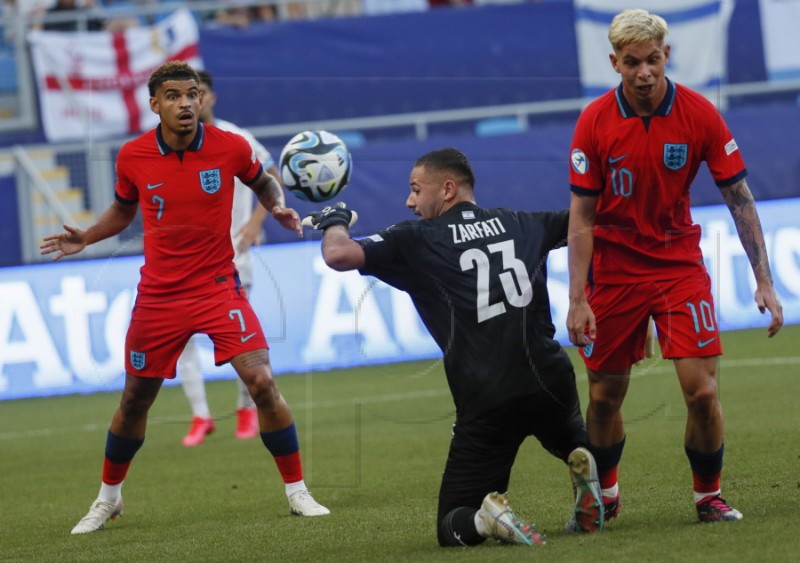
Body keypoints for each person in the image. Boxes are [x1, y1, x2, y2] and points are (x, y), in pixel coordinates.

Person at [41, 60, 330, 535]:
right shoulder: (133, 155)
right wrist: (87, 236)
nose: (185, 103)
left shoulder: (230, 147)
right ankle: (108, 498)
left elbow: (263, 179)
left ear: (201, 99)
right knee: (135, 400)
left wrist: (275, 205)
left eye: (191, 94)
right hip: (159, 296)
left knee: (262, 381)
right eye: (173, 96)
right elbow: (122, 209)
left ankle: (298, 491)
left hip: (218, 286)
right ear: (155, 105)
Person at [303, 147, 604, 547]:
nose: (409, 201)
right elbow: (586, 221)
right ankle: (578, 452)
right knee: (562, 425)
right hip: (550, 377)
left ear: (447, 189)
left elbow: (338, 255)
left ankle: (486, 518)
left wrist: (335, 222)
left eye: (415, 189)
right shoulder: (520, 222)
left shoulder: (417, 239)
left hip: (487, 397)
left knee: (451, 523)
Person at [566, 8, 784, 525]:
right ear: (615, 62)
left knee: (703, 392)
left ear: (668, 55)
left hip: (677, 267)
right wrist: (577, 298)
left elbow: (740, 198)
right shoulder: (594, 121)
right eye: (634, 63)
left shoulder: (699, 113)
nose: (645, 72)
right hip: (615, 272)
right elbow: (582, 217)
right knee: (602, 397)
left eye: (655, 60)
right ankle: (606, 495)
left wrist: (764, 281)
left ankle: (708, 496)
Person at [177, 69, 279, 447]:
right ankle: (201, 416)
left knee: (240, 343)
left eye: (197, 93)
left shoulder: (238, 138)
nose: (191, 102)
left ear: (210, 98)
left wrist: (254, 222)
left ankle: (245, 410)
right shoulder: (171, 145)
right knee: (184, 340)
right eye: (184, 95)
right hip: (183, 267)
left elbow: (272, 177)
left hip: (232, 259)